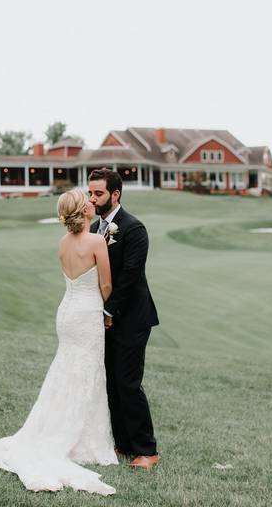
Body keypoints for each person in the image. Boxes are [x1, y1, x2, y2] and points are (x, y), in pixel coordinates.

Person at [0, 188, 119, 494]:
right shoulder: (97, 241)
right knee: (87, 372)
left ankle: (60, 431)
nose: (90, 202)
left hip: (66, 312)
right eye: (87, 201)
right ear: (84, 212)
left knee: (66, 370)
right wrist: (108, 311)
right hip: (87, 314)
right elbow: (107, 284)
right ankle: (84, 442)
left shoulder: (62, 244)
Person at [88, 167, 160, 470]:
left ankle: (146, 450)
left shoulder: (134, 229)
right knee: (111, 383)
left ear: (115, 194)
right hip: (102, 318)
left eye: (98, 193)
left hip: (131, 318)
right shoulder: (94, 228)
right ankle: (122, 443)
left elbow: (130, 277)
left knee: (128, 383)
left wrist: (109, 311)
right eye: (90, 192)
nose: (92, 198)